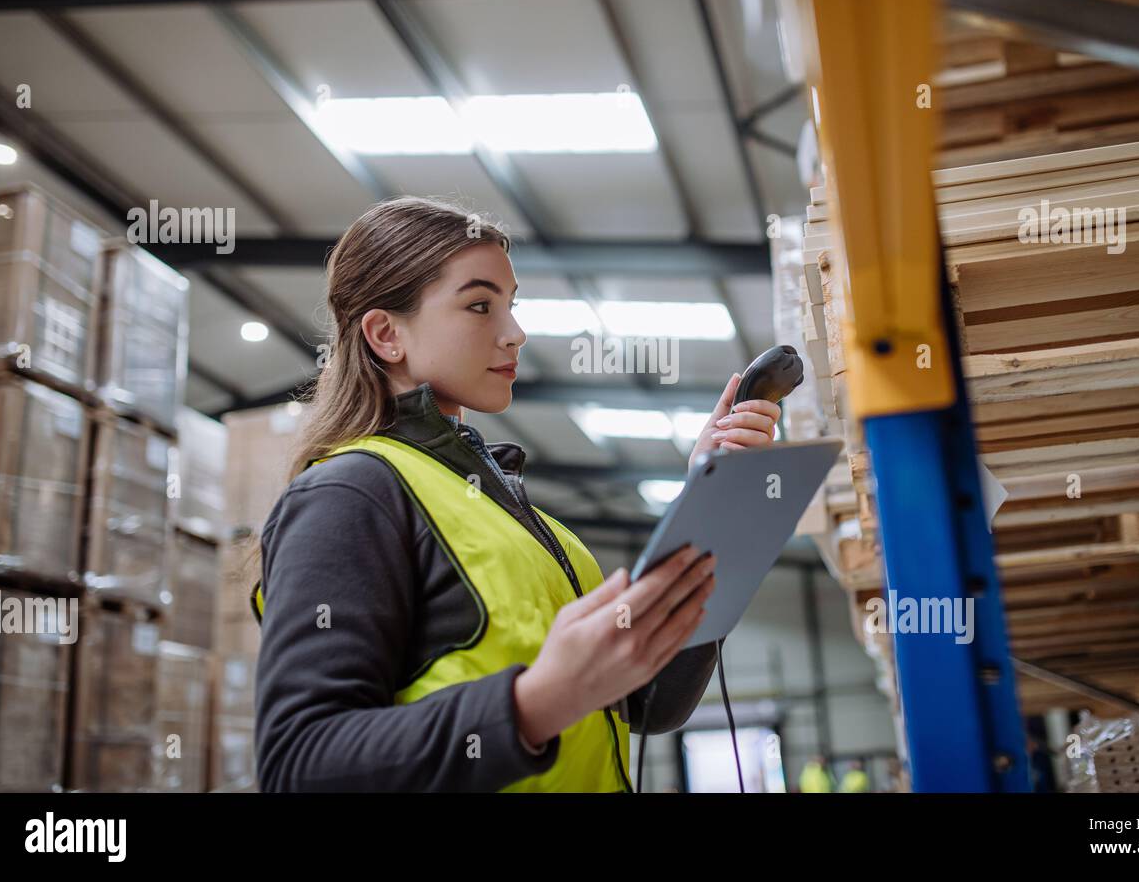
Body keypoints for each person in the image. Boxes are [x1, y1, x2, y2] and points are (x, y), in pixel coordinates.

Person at [250, 196, 782, 791]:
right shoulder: (350, 494)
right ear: (385, 334)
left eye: (512, 306)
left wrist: (711, 505)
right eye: (480, 305)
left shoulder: (525, 521)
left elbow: (650, 703)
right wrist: (537, 702)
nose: (516, 334)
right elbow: (299, 766)